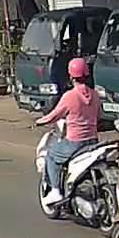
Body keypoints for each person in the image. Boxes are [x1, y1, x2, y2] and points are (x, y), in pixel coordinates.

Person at [37, 57, 102, 205]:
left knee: (51, 155)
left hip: (74, 143)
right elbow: (99, 116)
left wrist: (40, 121)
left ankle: (55, 191)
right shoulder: (95, 95)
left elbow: (54, 116)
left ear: (71, 76)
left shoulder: (69, 96)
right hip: (93, 141)